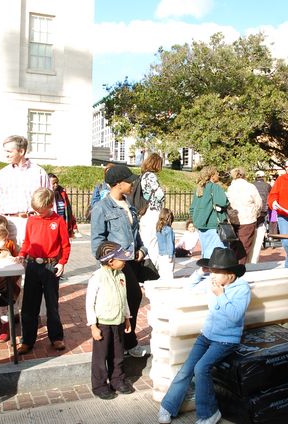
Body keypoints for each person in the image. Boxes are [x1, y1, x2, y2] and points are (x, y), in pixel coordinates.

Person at [157, 247, 251, 424]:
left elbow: (235, 316)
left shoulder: (242, 288)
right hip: (207, 336)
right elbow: (189, 287)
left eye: (217, 271)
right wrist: (200, 272)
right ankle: (168, 406)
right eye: (212, 270)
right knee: (186, 369)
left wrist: (221, 296)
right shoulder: (213, 283)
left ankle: (209, 413)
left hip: (226, 340)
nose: (213, 275)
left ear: (229, 273)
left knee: (201, 368)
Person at [90, 165, 149, 358]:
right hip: (116, 263)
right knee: (129, 298)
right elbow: (97, 241)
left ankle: (124, 343)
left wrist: (142, 250)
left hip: (132, 260)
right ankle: (126, 343)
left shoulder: (129, 205)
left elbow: (136, 234)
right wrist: (110, 261)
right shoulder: (101, 207)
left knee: (131, 298)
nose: (132, 183)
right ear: (117, 184)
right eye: (128, 181)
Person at [16, 187, 71, 354]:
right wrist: (21, 254)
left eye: (41, 210)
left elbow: (65, 245)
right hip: (33, 265)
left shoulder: (59, 221)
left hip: (50, 266)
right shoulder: (32, 221)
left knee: (52, 304)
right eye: (36, 210)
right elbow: (27, 242)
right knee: (29, 305)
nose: (38, 213)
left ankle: (56, 337)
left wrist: (62, 262)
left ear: (49, 205)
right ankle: (27, 340)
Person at [86, 241, 134, 400]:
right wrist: (93, 325)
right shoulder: (97, 277)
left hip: (118, 321)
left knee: (118, 353)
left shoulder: (121, 275)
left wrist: (127, 317)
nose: (125, 261)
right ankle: (99, 385)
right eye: (121, 259)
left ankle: (117, 380)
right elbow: (90, 303)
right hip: (103, 323)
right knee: (101, 356)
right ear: (110, 261)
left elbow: (124, 298)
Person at [0, 135, 51, 248]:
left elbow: (49, 202)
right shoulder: (2, 175)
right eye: (5, 151)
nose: (6, 154)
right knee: (10, 262)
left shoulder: (39, 173)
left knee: (33, 262)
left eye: (9, 151)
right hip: (9, 224)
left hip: (34, 222)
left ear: (21, 151)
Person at [190, 166, 228, 259]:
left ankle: (206, 269)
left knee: (206, 250)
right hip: (213, 224)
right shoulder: (215, 187)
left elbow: (192, 207)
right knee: (217, 252)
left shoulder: (199, 188)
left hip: (200, 224)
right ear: (212, 175)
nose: (218, 175)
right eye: (216, 173)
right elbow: (223, 202)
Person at [226, 167, 262, 265]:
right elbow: (259, 203)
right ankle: (240, 267)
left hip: (234, 219)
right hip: (248, 219)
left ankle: (232, 265)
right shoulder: (250, 187)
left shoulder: (230, 188)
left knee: (234, 245)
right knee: (244, 246)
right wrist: (256, 213)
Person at [138, 153, 166, 267]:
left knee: (146, 240)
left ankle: (146, 269)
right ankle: (154, 269)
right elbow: (159, 194)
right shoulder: (151, 176)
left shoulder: (143, 175)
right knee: (153, 242)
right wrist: (163, 194)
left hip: (145, 211)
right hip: (153, 211)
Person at [248, 170, 271, 263]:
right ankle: (260, 241)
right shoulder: (267, 185)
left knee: (254, 226)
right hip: (263, 210)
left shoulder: (251, 185)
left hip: (254, 210)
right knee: (261, 226)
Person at [48, 172, 78, 239]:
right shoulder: (45, 196)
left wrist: (73, 226)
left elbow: (68, 211)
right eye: (53, 183)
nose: (56, 185)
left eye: (57, 182)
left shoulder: (62, 193)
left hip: (62, 225)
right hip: (50, 226)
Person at [156, 208, 175, 280]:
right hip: (168, 254)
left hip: (161, 254)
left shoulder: (158, 228)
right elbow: (170, 243)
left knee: (162, 273)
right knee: (169, 274)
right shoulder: (169, 229)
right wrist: (170, 255)